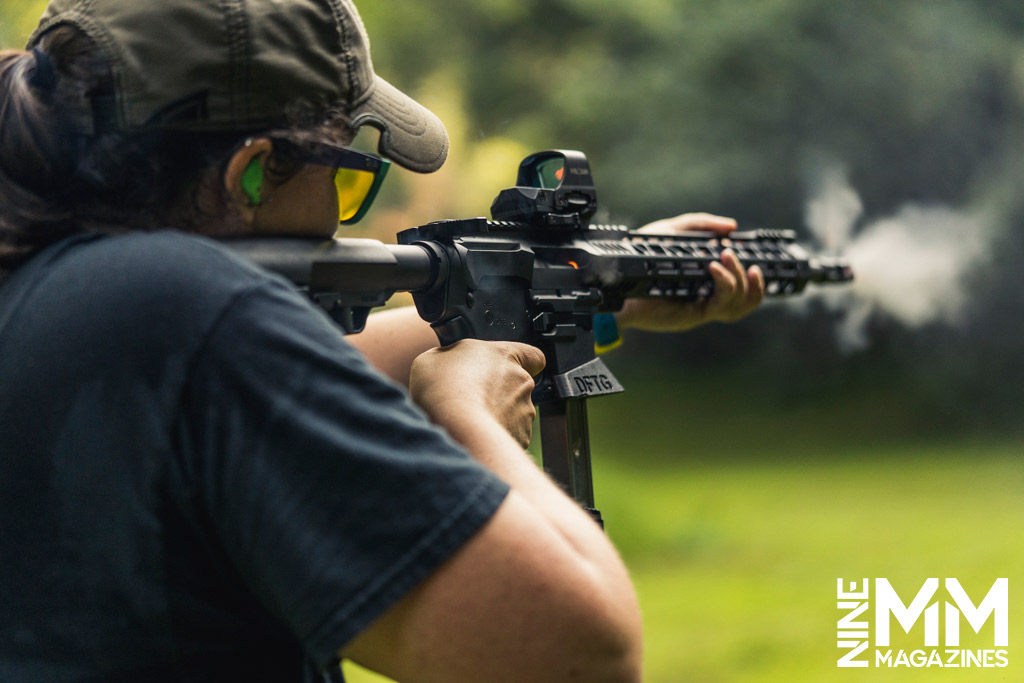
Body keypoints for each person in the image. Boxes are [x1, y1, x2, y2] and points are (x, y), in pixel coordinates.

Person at [0, 0, 765, 681]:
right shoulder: (191, 310)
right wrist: (468, 418)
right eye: (348, 172)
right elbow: (584, 653)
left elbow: (301, 380)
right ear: (253, 174)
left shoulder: (61, 293)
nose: (342, 214)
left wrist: (600, 295)